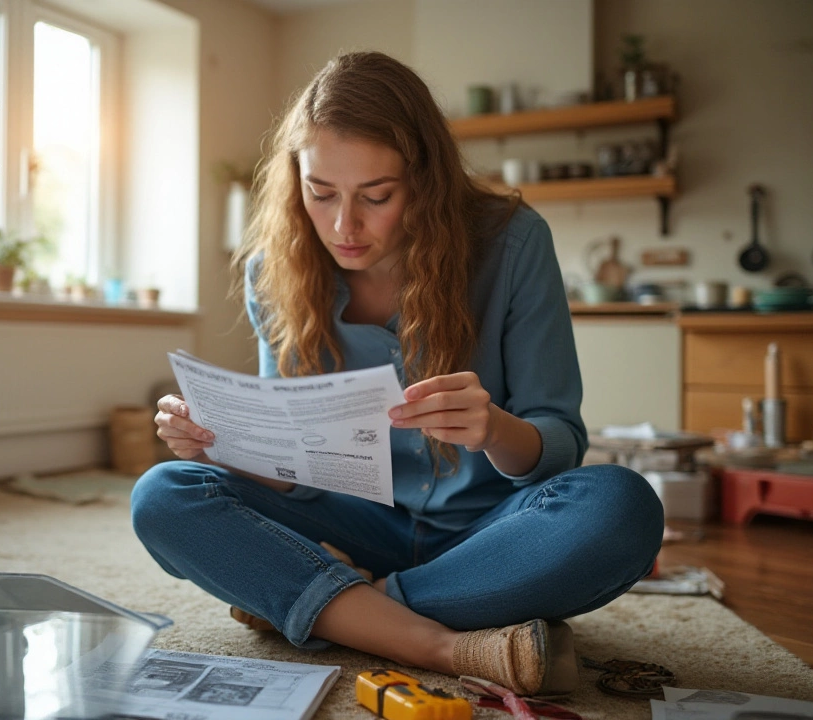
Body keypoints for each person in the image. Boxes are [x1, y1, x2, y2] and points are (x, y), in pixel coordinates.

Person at [130, 52, 663, 697]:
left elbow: (558, 447)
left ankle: (336, 605)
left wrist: (493, 428)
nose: (342, 226)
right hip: (346, 526)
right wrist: (225, 444)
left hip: (487, 535)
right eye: (320, 192)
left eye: (376, 197)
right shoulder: (274, 271)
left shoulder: (514, 243)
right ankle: (439, 642)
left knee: (620, 506)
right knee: (164, 493)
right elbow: (294, 475)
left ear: (426, 181)